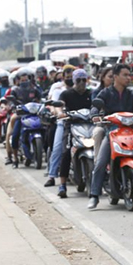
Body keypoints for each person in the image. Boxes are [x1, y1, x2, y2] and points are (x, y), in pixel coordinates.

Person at [87, 63, 133, 209]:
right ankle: (94, 195)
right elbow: (95, 106)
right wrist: (95, 115)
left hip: (132, 133)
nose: (128, 78)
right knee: (101, 162)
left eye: (129, 75)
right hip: (112, 132)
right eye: (125, 75)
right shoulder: (105, 93)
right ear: (115, 77)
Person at [55, 69, 92, 198]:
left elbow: (99, 105)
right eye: (78, 80)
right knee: (65, 152)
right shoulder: (67, 94)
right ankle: (62, 184)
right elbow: (59, 105)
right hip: (71, 125)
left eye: (84, 80)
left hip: (89, 125)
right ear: (74, 81)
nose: (82, 83)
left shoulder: (91, 93)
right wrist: (60, 112)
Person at [44, 65, 76, 187]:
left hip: (79, 123)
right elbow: (55, 105)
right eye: (67, 76)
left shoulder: (82, 90)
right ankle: (52, 176)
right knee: (57, 148)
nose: (69, 78)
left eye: (72, 76)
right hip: (63, 122)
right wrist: (59, 113)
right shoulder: (58, 90)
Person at [8, 69, 42, 168]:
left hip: (34, 115)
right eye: (22, 80)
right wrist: (13, 106)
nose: (24, 81)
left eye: (26, 79)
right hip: (21, 115)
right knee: (15, 135)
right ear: (18, 80)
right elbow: (11, 102)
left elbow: (41, 99)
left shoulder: (35, 89)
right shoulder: (15, 90)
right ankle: (15, 159)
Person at [91, 67, 114, 162]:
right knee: (98, 132)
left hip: (122, 125)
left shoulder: (128, 93)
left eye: (114, 76)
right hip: (105, 124)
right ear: (103, 78)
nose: (113, 79)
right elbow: (94, 106)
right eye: (110, 76)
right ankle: (98, 163)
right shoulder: (99, 92)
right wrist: (95, 116)